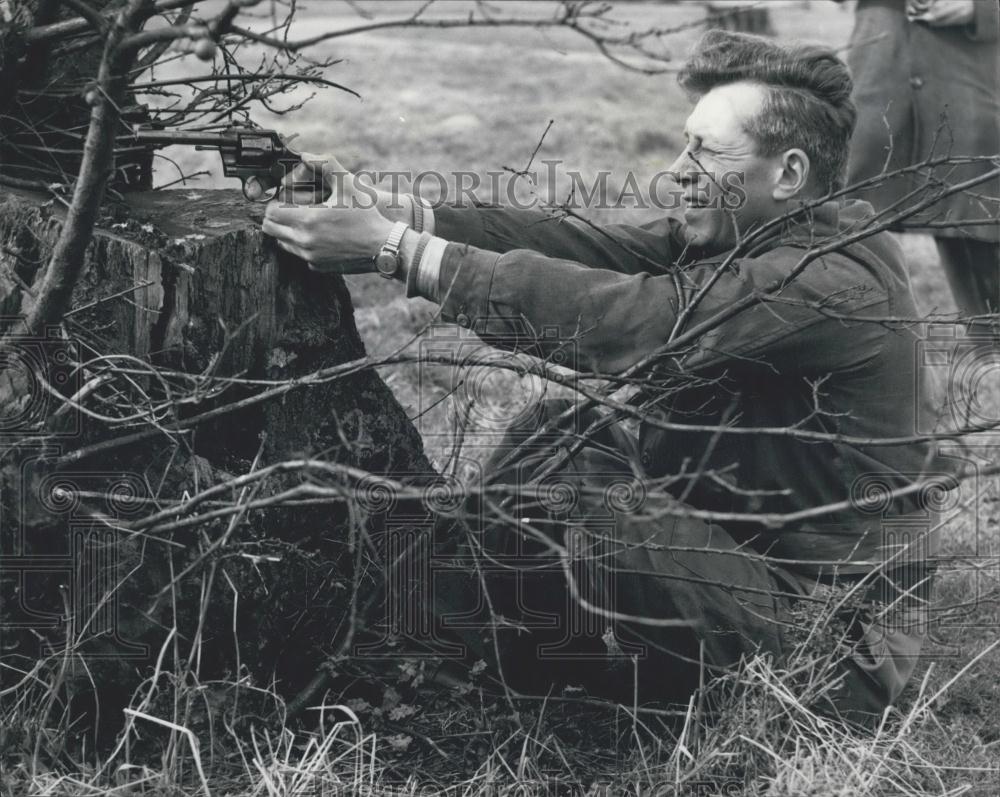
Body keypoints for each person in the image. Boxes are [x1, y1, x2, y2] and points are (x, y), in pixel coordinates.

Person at [255, 30, 956, 723]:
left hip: (831, 648)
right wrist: (401, 215)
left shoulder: (829, 280)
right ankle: (452, 640)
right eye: (686, 142)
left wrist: (394, 252)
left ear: (789, 173)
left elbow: (636, 324)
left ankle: (449, 647)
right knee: (553, 432)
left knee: (594, 493)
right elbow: (590, 247)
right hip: (749, 567)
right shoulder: (764, 234)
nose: (679, 168)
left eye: (706, 150)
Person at [844, 0, 1000, 320]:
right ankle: (858, 348)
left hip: (969, 68)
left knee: (974, 215)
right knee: (850, 216)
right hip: (881, 67)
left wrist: (980, 8)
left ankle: (990, 351)